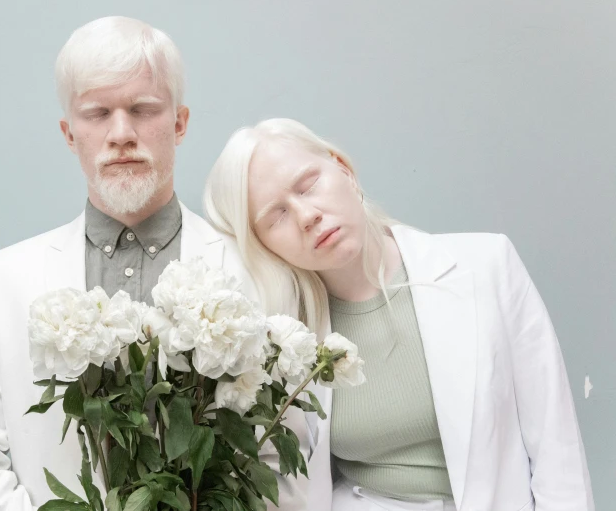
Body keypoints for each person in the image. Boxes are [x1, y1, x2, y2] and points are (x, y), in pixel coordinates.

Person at [0, 18, 307, 511]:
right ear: (69, 133)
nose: (121, 133)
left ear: (180, 122)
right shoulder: (0, 282)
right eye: (98, 113)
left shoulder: (260, 270)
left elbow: (288, 457)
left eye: (143, 109)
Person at [203, 118, 594, 511]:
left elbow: (557, 454)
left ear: (343, 169)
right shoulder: (284, 340)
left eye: (308, 185)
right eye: (277, 216)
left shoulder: (488, 265)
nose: (307, 215)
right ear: (265, 245)